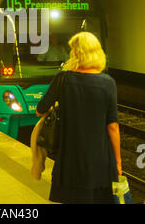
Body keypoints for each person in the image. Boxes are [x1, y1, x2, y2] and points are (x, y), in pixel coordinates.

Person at [36, 32, 121, 204]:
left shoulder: (63, 79)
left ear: (75, 53)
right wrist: (118, 161)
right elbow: (112, 126)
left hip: (70, 158)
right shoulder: (108, 83)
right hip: (99, 158)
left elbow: (40, 110)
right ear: (97, 52)